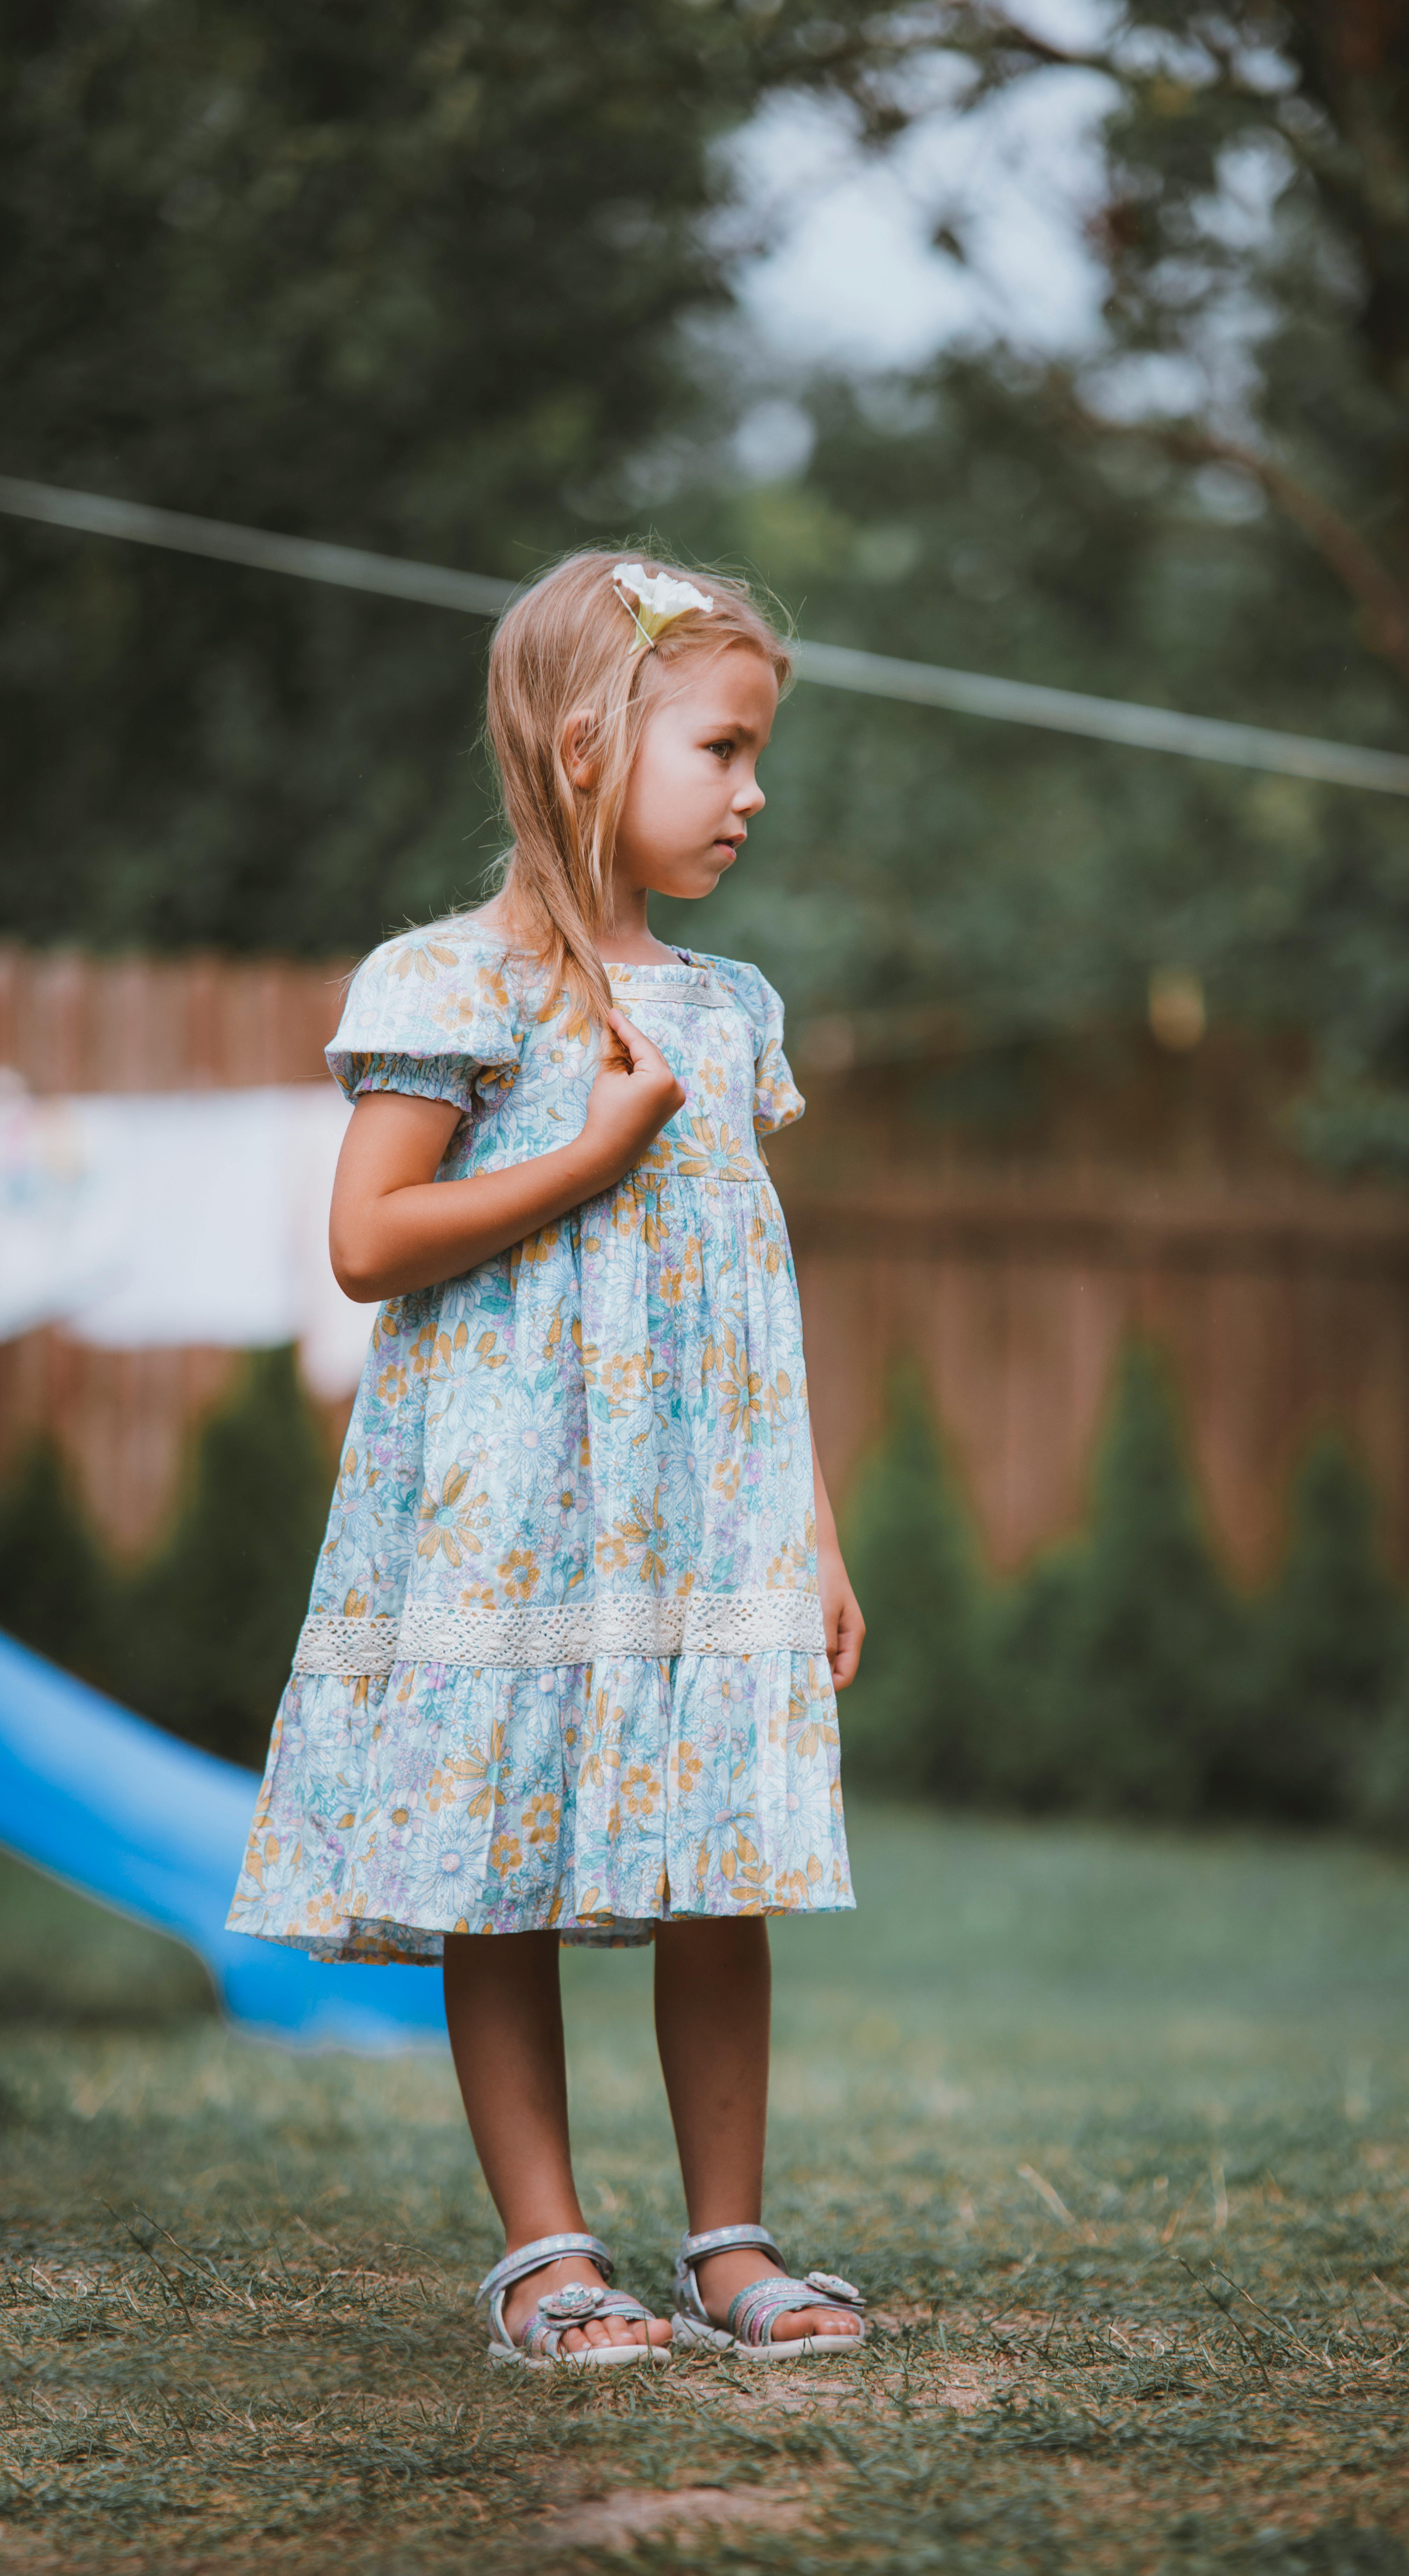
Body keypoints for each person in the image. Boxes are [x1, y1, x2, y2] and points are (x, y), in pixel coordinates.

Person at [228, 552, 867, 2367]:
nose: (755, 792)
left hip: (703, 1523)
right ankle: (547, 2254)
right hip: (508, 1526)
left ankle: (731, 2250)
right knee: (496, 1870)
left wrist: (810, 1530)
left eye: (759, 755)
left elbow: (755, 1295)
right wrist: (586, 1154)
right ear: (588, 749)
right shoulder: (456, 986)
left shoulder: (733, 1012)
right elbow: (370, 1241)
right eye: (725, 749)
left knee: (716, 1868)